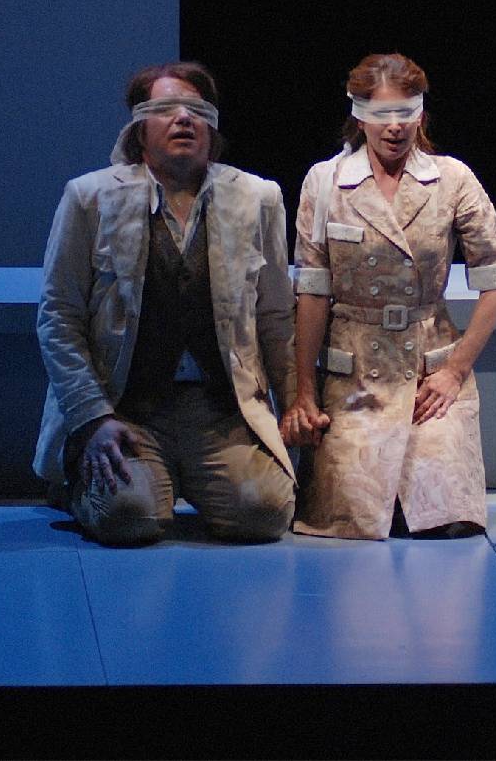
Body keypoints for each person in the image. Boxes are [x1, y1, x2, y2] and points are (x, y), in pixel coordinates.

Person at [34, 61, 298, 545]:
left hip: (217, 409)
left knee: (263, 514)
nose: (183, 118)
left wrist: (294, 401)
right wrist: (93, 417)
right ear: (138, 128)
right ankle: (87, 478)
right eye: (166, 108)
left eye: (197, 109)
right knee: (129, 517)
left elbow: (276, 315)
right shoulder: (90, 198)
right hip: (126, 408)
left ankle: (182, 473)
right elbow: (58, 318)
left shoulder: (257, 198)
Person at [280, 53, 496, 540]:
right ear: (358, 114)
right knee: (353, 518)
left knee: (447, 519)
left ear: (421, 114)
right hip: (354, 376)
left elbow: (494, 282)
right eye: (382, 114)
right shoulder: (326, 182)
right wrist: (304, 390)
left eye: (407, 112)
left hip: (429, 372)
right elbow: (312, 292)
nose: (395, 126)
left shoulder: (451, 179)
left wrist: (454, 372)